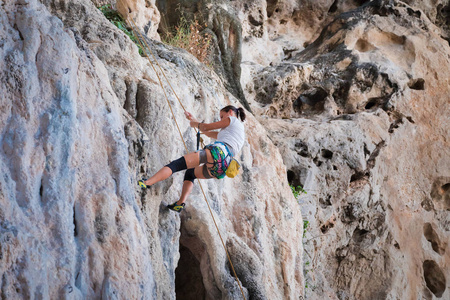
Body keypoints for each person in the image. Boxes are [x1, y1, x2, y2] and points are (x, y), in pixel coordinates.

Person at [139, 105, 246, 212]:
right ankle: (180, 204)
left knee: (176, 165)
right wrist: (193, 119)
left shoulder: (232, 120)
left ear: (231, 112)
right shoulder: (237, 133)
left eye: (222, 116)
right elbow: (208, 133)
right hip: (223, 167)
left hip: (218, 153)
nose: (221, 120)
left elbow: (206, 127)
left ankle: (147, 183)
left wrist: (194, 124)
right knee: (191, 173)